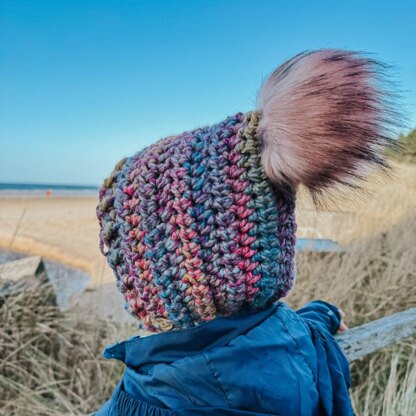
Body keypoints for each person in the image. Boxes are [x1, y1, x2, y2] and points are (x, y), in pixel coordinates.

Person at [95, 49, 398, 415]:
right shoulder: (293, 345)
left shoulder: (147, 400)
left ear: (155, 279)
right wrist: (325, 313)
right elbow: (290, 331)